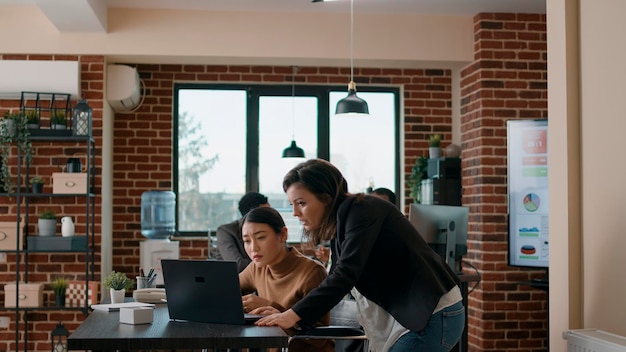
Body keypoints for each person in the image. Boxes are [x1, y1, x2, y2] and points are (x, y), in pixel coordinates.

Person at [255, 159, 465, 352]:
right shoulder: (344, 222)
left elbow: (344, 276)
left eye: (301, 203)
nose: (295, 213)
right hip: (414, 317)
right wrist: (290, 315)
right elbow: (336, 278)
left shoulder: (363, 210)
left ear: (325, 198)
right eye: (292, 204)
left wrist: (292, 315)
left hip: (432, 315)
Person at [239, 206, 333, 352]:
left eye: (261, 237)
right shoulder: (257, 267)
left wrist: (276, 310)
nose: (253, 248)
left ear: (283, 235)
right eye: (247, 241)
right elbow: (226, 289)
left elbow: (319, 338)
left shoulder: (312, 272)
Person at [216, 192, 270, 272]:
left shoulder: (271, 229)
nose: (270, 216)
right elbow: (237, 265)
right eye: (265, 213)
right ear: (250, 214)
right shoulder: (226, 231)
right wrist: (270, 263)